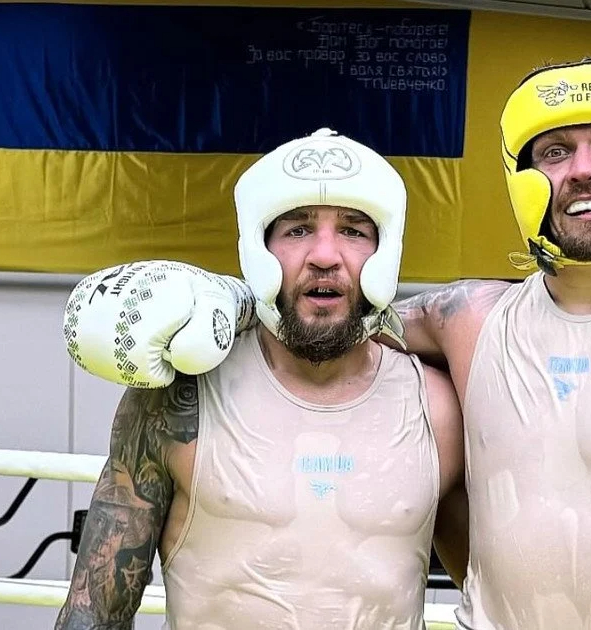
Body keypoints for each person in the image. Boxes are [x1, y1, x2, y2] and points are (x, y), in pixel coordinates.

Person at [63, 60, 591, 629]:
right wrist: (217, 300)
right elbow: (336, 312)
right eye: (555, 153)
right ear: (525, 179)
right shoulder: (470, 319)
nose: (582, 171)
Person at [55, 129, 465, 629]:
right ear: (258, 247)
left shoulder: (436, 407)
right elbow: (94, 612)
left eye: (354, 230)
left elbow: (503, 593)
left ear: (385, 251)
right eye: (297, 229)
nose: (324, 255)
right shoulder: (183, 398)